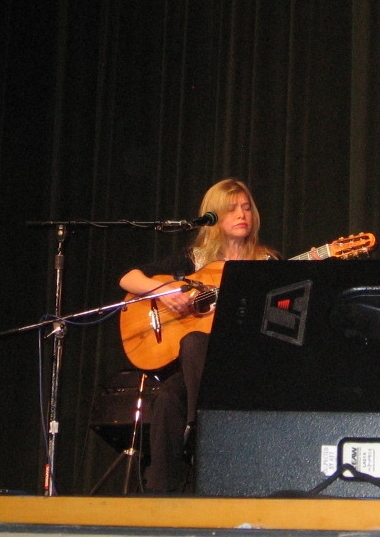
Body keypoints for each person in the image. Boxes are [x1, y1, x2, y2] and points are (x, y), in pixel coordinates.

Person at [119, 177, 278, 492]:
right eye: (231, 209)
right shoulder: (194, 260)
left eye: (246, 208)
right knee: (165, 399)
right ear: (214, 217)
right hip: (200, 369)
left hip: (243, 366)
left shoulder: (267, 263)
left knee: (193, 342)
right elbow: (128, 278)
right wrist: (163, 289)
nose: (242, 215)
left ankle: (198, 429)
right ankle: (162, 499)